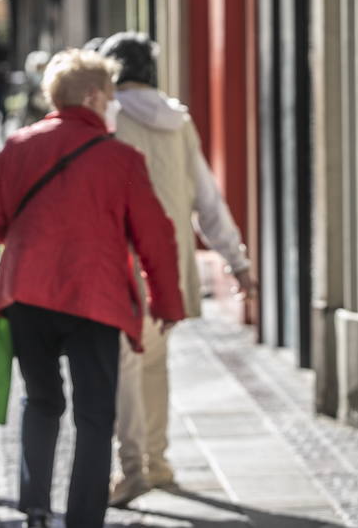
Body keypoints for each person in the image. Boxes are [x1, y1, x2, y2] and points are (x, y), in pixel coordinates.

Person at [0, 48, 185, 528]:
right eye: (110, 95)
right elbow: (156, 236)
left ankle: (36, 509)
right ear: (92, 96)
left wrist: (33, 242)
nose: (113, 104)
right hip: (96, 297)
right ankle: (84, 519)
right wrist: (167, 302)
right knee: (94, 414)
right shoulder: (120, 158)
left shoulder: (19, 146)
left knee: (42, 400)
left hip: (28, 294)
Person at [98, 31, 255, 504]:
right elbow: (208, 198)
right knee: (154, 361)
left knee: (125, 363)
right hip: (171, 261)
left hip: (122, 257)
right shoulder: (178, 120)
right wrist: (237, 261)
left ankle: (131, 468)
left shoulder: (107, 116)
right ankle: (157, 460)